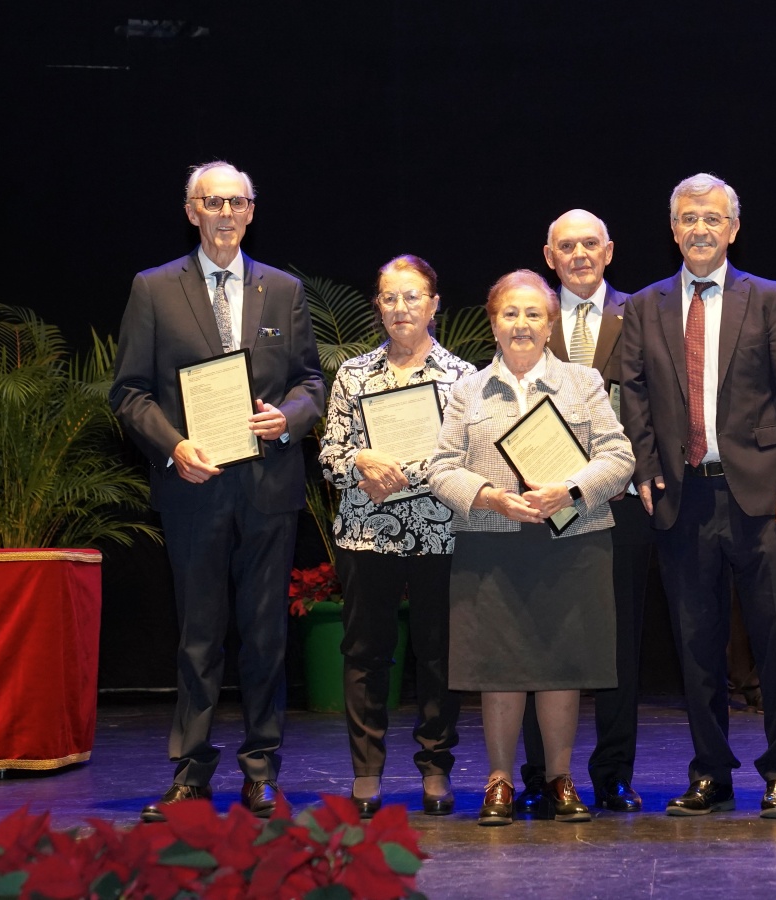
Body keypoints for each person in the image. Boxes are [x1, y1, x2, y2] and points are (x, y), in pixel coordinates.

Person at [111, 160, 325, 822]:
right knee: (199, 638)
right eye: (212, 202)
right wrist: (174, 445)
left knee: (265, 639)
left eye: (236, 202)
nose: (225, 213)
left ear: (252, 211)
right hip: (193, 489)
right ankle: (191, 771)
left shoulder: (284, 291)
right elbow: (128, 393)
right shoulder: (153, 289)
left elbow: (312, 383)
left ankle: (262, 769)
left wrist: (285, 419)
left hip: (267, 489)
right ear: (192, 212)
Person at [619, 173, 776, 818]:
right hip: (683, 499)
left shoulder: (768, 297)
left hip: (763, 498)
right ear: (672, 229)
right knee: (696, 646)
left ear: (733, 228)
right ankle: (711, 772)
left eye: (712, 218)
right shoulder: (645, 305)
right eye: (687, 218)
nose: (699, 229)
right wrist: (646, 467)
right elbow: (635, 397)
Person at [429, 270, 634, 826]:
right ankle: (499, 780)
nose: (521, 325)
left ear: (551, 324)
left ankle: (559, 778)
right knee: (500, 668)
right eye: (509, 314)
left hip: (571, 541)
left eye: (533, 315)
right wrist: (489, 497)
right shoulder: (467, 389)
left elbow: (619, 458)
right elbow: (441, 470)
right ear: (493, 323)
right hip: (492, 546)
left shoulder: (583, 383)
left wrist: (569, 489)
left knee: (560, 663)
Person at [317, 255, 474, 818]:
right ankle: (366, 770)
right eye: (389, 298)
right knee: (365, 655)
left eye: (413, 297)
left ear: (434, 305)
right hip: (367, 534)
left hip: (439, 534)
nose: (400, 308)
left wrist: (405, 472)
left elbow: (464, 463)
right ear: (377, 306)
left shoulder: (463, 380)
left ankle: (435, 767)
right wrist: (359, 459)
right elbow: (330, 456)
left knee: (438, 656)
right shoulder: (353, 375)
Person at [516, 209, 649, 814]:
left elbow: (659, 403)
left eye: (590, 244)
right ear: (549, 256)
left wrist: (645, 469)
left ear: (610, 250)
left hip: (620, 503)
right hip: (541, 505)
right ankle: (541, 772)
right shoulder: (524, 316)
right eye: (566, 246)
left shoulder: (642, 313)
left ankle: (613, 772)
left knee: (618, 641)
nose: (579, 255)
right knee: (538, 639)